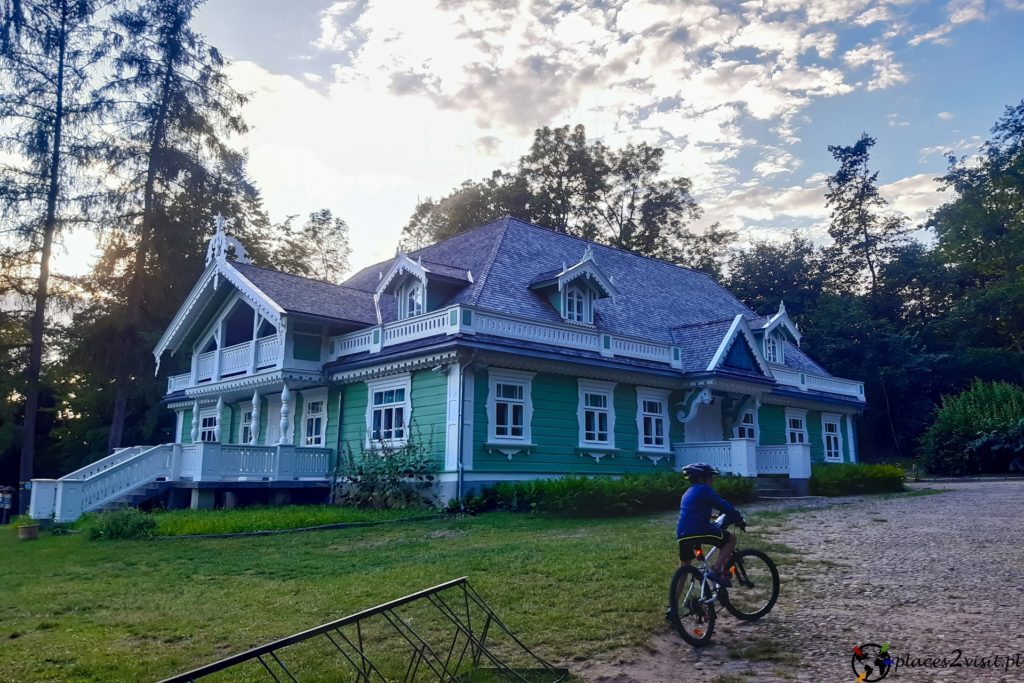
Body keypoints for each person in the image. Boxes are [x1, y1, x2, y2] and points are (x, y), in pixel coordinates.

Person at [676, 463, 745, 587]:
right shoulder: (704, 489)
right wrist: (738, 519)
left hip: (682, 534)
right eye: (710, 477)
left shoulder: (687, 492)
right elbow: (723, 505)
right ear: (702, 478)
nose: (713, 479)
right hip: (699, 530)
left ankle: (673, 604)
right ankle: (716, 569)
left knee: (684, 570)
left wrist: (711, 516)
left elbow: (693, 512)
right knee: (730, 539)